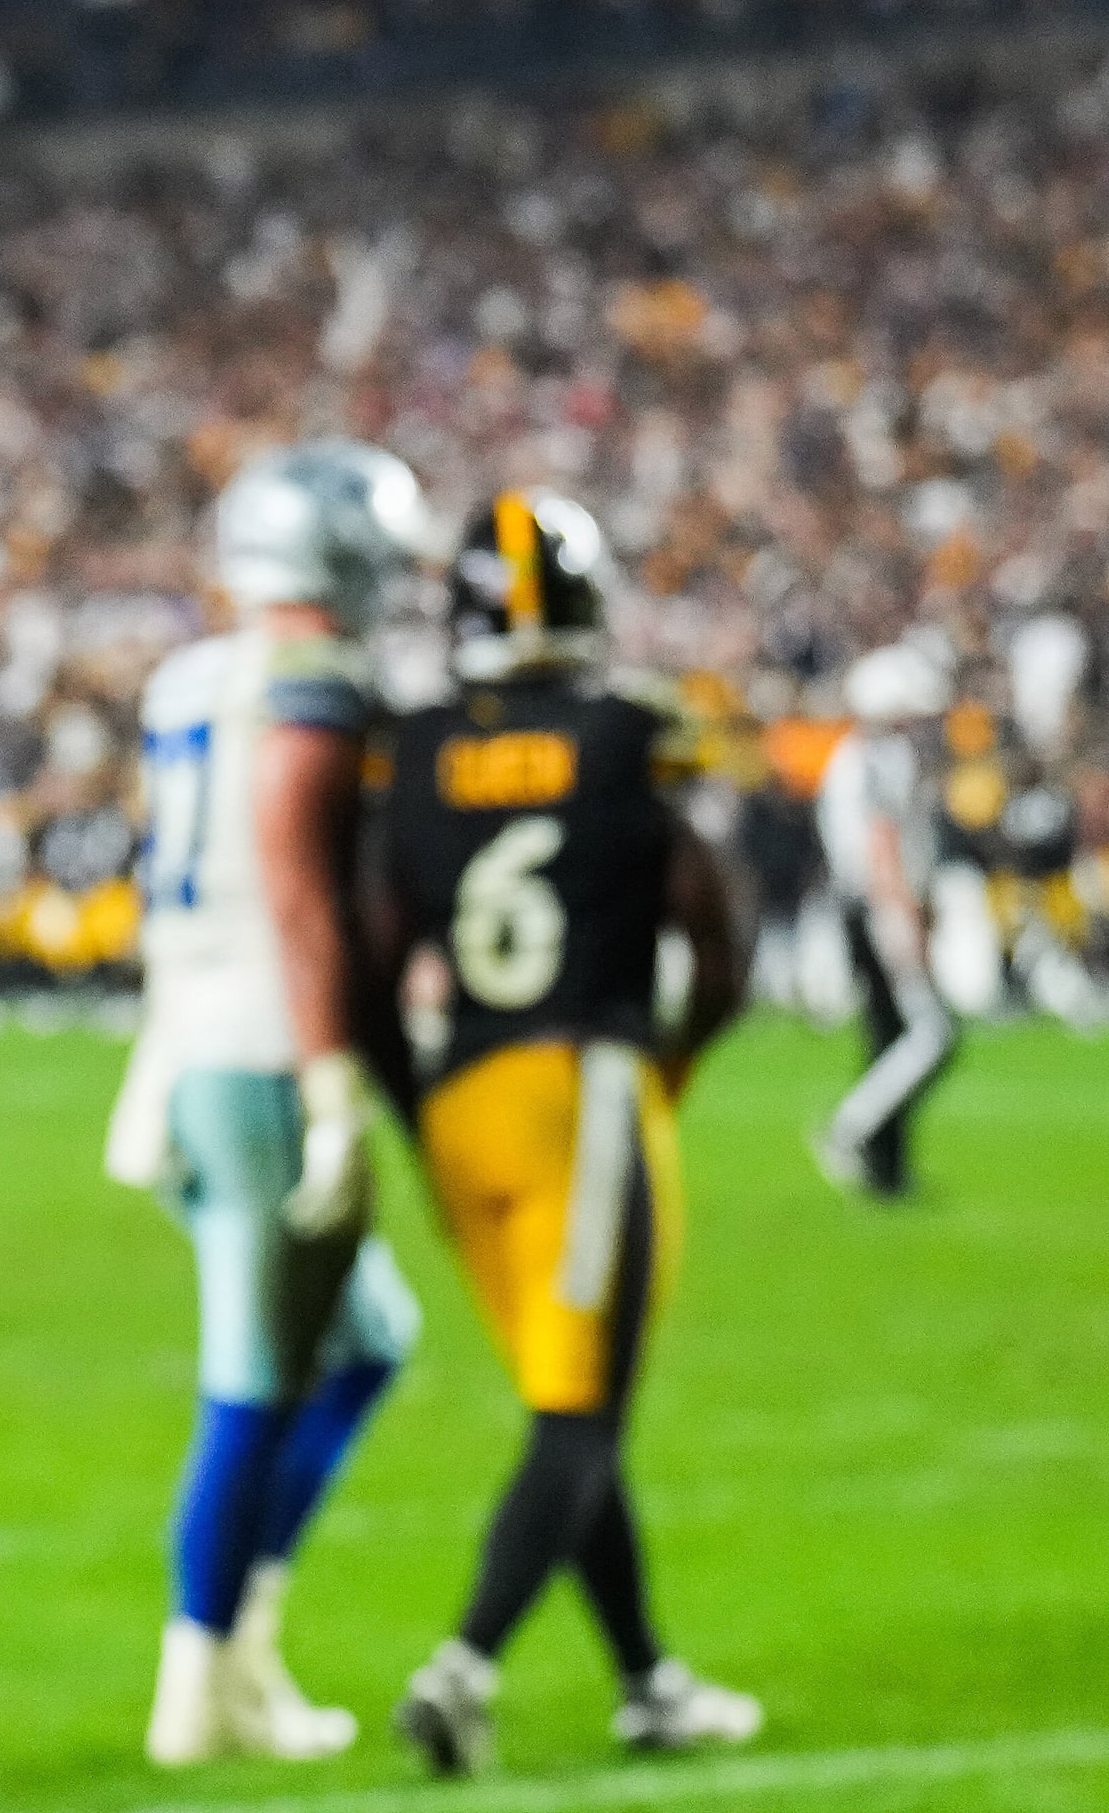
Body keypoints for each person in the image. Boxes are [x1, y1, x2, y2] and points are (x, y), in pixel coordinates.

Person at [369, 491, 760, 1776]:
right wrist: (673, 1058)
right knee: (581, 1414)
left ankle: (648, 1681)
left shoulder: (413, 744)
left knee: (564, 1401)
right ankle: (463, 1669)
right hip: (578, 1084)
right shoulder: (630, 731)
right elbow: (718, 931)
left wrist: (414, 1112)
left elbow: (377, 959)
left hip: (463, 1106)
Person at [105, 441, 430, 1765]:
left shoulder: (192, 675)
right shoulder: (313, 684)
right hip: (264, 1054)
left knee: (366, 1341)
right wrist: (334, 1083)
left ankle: (238, 1644)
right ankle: (202, 1680)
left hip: (193, 1040)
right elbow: (295, 890)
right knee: (252, 1377)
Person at [811, 645, 955, 1198]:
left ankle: (888, 1170)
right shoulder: (877, 757)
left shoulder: (851, 755)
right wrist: (905, 913)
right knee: (929, 1036)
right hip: (878, 905)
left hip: (861, 904)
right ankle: (851, 1131)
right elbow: (881, 844)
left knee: (889, 1033)